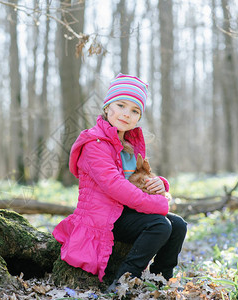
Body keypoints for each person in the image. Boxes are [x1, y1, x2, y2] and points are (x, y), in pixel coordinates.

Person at [52, 73, 187, 292]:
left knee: (178, 224)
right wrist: (160, 205)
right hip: (102, 217)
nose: (127, 114)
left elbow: (134, 178)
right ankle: (121, 283)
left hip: (123, 212)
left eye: (134, 111)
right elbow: (115, 185)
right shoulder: (95, 143)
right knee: (160, 225)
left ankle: (159, 279)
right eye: (121, 105)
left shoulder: (129, 145)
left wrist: (161, 184)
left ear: (139, 118)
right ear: (107, 107)